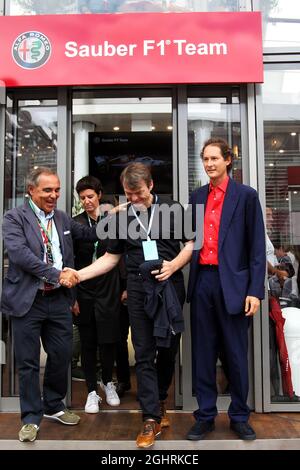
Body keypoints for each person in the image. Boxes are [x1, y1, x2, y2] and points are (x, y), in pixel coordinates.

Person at [64, 162, 194, 448]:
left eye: (137, 193)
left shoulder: (174, 209)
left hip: (169, 286)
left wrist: (174, 266)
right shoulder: (123, 218)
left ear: (150, 185)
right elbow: (110, 258)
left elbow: (190, 244)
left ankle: (160, 400)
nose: (133, 199)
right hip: (137, 289)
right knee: (145, 352)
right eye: (127, 194)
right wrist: (79, 274)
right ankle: (150, 418)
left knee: (168, 351)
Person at [0, 167, 97, 443]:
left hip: (57, 300)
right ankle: (31, 418)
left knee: (63, 353)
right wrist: (57, 274)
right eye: (47, 190)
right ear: (31, 190)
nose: (54, 195)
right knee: (29, 363)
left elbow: (88, 235)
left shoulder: (63, 218)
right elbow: (20, 255)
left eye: (57, 190)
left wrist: (109, 217)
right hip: (28, 301)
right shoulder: (14, 218)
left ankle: (54, 404)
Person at [186, 138, 266, 441]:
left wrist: (254, 291)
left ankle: (240, 415)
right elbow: (189, 241)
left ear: (228, 160)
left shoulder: (245, 196)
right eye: (205, 159)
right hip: (203, 280)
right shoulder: (196, 197)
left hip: (233, 284)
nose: (209, 164)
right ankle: (205, 415)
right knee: (203, 354)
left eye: (214, 159)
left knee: (235, 354)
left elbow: (256, 248)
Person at [72, 176, 120, 412]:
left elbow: (123, 256)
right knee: (88, 342)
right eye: (82, 198)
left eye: (90, 196)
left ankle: (107, 382)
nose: (87, 201)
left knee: (108, 340)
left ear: (99, 195)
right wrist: (73, 297)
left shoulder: (112, 220)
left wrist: (125, 288)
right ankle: (92, 390)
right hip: (84, 290)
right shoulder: (75, 223)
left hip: (109, 288)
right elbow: (70, 260)